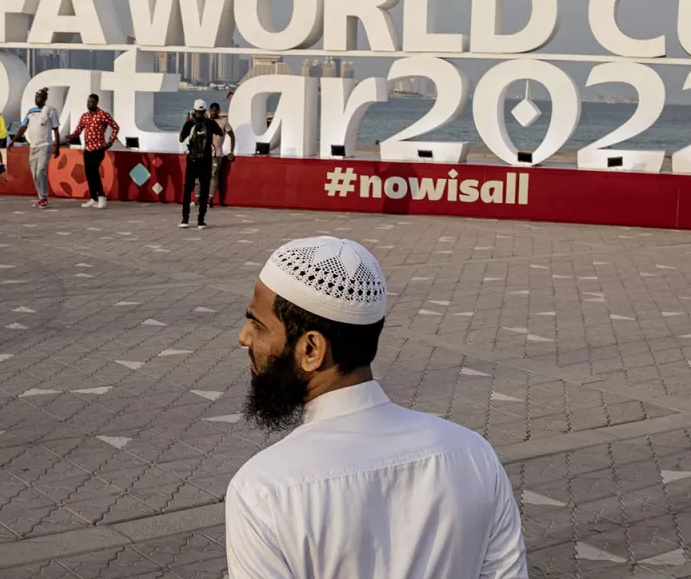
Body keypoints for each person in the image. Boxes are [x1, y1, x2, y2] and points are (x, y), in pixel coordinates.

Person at [227, 236, 528, 578]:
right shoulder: (473, 455)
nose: (244, 337)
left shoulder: (263, 490)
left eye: (258, 324)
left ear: (312, 349)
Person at [69, 93, 119, 209]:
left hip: (99, 148)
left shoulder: (103, 115)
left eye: (91, 102)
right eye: (88, 102)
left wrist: (110, 142)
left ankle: (102, 197)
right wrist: (71, 136)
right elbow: (78, 130)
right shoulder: (85, 116)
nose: (89, 104)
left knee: (94, 171)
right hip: (87, 149)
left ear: (96, 103)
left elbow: (115, 127)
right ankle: (93, 198)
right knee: (89, 173)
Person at [178, 99, 222, 228]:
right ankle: (200, 220)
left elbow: (181, 138)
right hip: (206, 160)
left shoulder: (189, 123)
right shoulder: (210, 123)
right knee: (204, 189)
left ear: (194, 110)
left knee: (188, 189)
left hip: (192, 160)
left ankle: (185, 219)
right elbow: (219, 132)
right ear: (205, 110)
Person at [15, 88, 60, 209]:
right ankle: (41, 198)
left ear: (44, 99)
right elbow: (24, 126)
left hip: (45, 145)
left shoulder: (50, 111)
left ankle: (44, 197)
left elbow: (55, 129)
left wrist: (57, 146)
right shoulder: (31, 111)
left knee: (41, 170)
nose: (36, 100)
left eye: (39, 97)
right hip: (33, 146)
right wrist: (14, 139)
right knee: (34, 173)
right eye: (35, 97)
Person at [207, 102, 235, 206]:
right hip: (205, 154)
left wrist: (231, 151)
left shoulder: (224, 122)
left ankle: (210, 199)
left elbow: (232, 136)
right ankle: (199, 198)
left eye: (216, 110)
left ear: (219, 111)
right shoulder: (206, 121)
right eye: (212, 110)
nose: (214, 112)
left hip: (217, 154)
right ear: (209, 110)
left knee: (213, 176)